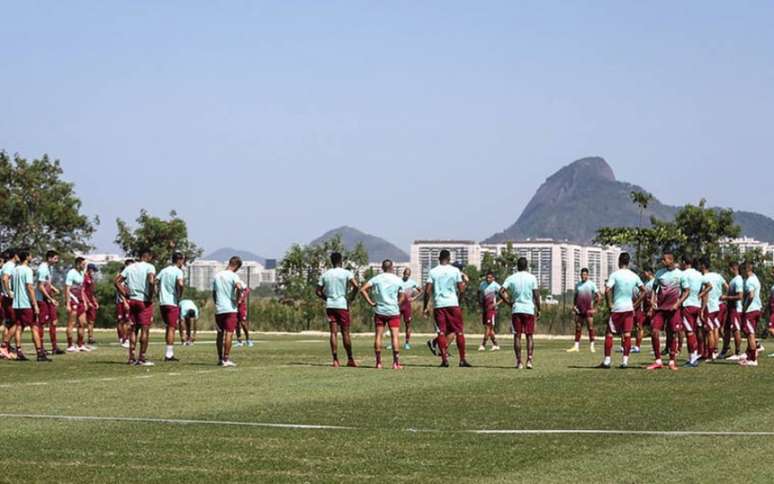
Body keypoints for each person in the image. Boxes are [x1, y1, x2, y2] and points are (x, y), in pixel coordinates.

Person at [422, 251, 470, 367]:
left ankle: (444, 360)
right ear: (449, 258)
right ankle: (462, 360)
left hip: (439, 305)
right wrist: (459, 301)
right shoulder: (455, 271)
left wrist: (425, 306)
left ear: (439, 259)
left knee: (441, 332)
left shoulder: (433, 271)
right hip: (453, 304)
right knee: (459, 332)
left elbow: (427, 291)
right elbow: (462, 288)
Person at [598, 253, 644, 369]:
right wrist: (635, 304)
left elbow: (607, 289)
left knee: (609, 333)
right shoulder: (634, 276)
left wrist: (609, 304)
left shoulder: (615, 275)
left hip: (617, 308)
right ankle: (625, 362)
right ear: (628, 262)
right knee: (627, 334)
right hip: (629, 308)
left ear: (619, 261)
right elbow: (644, 291)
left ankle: (607, 361)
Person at [359, 259, 405, 369]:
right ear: (392, 267)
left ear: (382, 268)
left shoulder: (377, 278)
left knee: (378, 335)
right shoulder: (397, 279)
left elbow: (362, 289)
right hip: (393, 311)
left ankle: (378, 363)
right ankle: (396, 363)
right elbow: (402, 295)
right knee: (395, 336)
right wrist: (397, 303)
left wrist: (371, 302)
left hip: (379, 310)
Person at [316, 252, 359, 368]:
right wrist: (351, 298)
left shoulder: (325, 274)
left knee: (333, 333)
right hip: (342, 305)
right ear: (341, 261)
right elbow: (356, 286)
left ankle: (335, 360)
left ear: (331, 261)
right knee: (345, 332)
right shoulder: (346, 273)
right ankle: (350, 359)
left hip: (330, 305)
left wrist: (327, 298)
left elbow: (318, 291)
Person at [114, 249, 156, 366]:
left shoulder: (130, 267)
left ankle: (131, 357)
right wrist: (151, 295)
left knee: (133, 329)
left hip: (132, 300)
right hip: (144, 300)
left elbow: (117, 281)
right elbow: (151, 281)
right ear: (149, 257)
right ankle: (142, 357)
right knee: (145, 328)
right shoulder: (150, 267)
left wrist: (125, 293)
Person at [499, 257, 540, 369]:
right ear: (527, 266)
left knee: (517, 336)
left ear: (517, 266)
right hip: (529, 310)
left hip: (517, 309)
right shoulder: (532, 278)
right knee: (529, 336)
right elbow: (536, 295)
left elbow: (501, 291)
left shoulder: (511, 278)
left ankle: (519, 362)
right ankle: (529, 360)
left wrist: (509, 303)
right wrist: (539, 309)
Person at [647, 251, 682, 371]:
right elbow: (654, 288)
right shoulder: (659, 273)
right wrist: (652, 301)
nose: (662, 261)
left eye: (664, 259)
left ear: (671, 260)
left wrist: (677, 304)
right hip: (661, 309)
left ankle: (672, 361)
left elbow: (687, 291)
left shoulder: (680, 274)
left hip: (673, 309)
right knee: (654, 331)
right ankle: (658, 361)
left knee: (672, 334)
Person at [12, 250, 50, 361]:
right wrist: (35, 304)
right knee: (34, 326)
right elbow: (29, 287)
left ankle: (18, 351)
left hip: (16, 303)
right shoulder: (27, 270)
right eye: (30, 255)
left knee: (19, 327)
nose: (31, 257)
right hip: (26, 303)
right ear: (27, 257)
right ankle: (40, 353)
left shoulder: (15, 270)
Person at [212, 256, 244, 367]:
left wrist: (216, 303)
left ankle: (220, 359)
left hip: (219, 308)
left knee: (219, 334)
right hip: (230, 308)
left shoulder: (217, 275)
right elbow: (239, 287)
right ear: (236, 266)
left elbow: (214, 293)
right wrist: (238, 299)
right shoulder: (234, 276)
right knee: (229, 333)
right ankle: (226, 359)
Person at [157, 252, 185, 361]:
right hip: (172, 302)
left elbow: (155, 281)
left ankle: (168, 352)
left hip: (162, 302)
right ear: (179, 260)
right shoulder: (178, 271)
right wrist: (180, 294)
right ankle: (169, 354)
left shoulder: (164, 270)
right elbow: (181, 284)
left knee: (168, 327)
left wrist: (156, 293)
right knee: (172, 328)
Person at [35, 250, 63, 355]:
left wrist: (53, 288)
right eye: (55, 258)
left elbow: (47, 283)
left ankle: (54, 347)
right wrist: (50, 299)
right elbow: (40, 286)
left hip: (49, 298)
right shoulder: (42, 269)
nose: (57, 261)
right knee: (42, 323)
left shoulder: (49, 268)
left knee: (54, 322)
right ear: (49, 258)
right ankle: (40, 347)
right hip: (42, 299)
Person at [698, 258, 726, 361]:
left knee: (709, 330)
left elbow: (706, 293)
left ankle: (711, 353)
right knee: (715, 328)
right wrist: (724, 297)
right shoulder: (718, 275)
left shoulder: (703, 277)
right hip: (718, 305)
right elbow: (727, 286)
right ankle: (714, 350)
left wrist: (702, 308)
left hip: (709, 306)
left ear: (703, 266)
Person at [677, 256, 703, 367]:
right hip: (697, 305)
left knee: (689, 332)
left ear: (684, 262)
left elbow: (681, 290)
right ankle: (692, 357)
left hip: (687, 305)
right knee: (693, 332)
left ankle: (693, 359)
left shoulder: (683, 274)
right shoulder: (699, 274)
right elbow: (708, 286)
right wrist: (699, 296)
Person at [567, 268, 599, 353]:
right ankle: (576, 346)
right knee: (578, 327)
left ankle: (592, 346)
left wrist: (595, 308)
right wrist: (574, 306)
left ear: (587, 275)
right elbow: (575, 296)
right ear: (580, 275)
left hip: (588, 310)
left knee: (590, 328)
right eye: (582, 275)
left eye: (585, 274)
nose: (583, 276)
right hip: (580, 310)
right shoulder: (578, 285)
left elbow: (598, 296)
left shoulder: (591, 284)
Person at [65, 257, 91, 353]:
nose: (84, 266)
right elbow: (67, 288)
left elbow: (82, 289)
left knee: (83, 323)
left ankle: (80, 344)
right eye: (83, 264)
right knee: (71, 323)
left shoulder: (82, 274)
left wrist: (85, 301)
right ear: (78, 264)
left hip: (80, 300)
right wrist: (67, 303)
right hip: (73, 300)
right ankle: (70, 345)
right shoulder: (71, 273)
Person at [720, 262, 744, 360]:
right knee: (726, 330)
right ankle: (725, 350)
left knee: (736, 329)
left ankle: (738, 352)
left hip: (736, 309)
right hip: (730, 309)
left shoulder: (738, 280)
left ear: (733, 268)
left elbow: (740, 296)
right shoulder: (733, 280)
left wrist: (726, 297)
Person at [739, 262, 761, 367]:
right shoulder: (756, 278)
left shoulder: (749, 281)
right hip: (757, 309)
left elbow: (751, 295)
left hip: (750, 310)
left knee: (750, 334)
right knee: (751, 333)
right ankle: (749, 355)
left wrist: (745, 307)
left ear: (745, 270)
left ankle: (753, 359)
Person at [0, 249, 20, 359]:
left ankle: (5, 348)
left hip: (7, 297)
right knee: (16, 322)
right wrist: (9, 292)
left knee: (9, 323)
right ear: (15, 255)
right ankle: (4, 346)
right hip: (9, 298)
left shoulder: (9, 265)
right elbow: (5, 278)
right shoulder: (10, 265)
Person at [399, 268, 422, 350]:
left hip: (407, 305)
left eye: (408, 274)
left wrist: (414, 298)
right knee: (395, 324)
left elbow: (421, 291)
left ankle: (407, 343)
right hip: (399, 305)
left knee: (408, 324)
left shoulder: (412, 282)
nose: (406, 276)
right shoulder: (398, 281)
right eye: (405, 274)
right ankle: (393, 342)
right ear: (403, 273)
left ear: (410, 275)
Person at [478, 271, 501, 351]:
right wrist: (480, 304)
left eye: (490, 278)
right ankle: (496, 344)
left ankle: (483, 344)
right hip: (485, 308)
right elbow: (479, 293)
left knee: (488, 327)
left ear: (493, 278)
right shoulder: (482, 284)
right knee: (489, 328)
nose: (488, 279)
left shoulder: (496, 285)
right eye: (487, 277)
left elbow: (505, 295)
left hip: (491, 309)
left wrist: (496, 304)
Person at [115, 259, 134, 348]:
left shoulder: (132, 275)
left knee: (128, 320)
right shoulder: (121, 275)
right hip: (121, 301)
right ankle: (122, 338)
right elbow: (119, 289)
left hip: (130, 300)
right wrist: (125, 301)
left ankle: (126, 338)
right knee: (121, 320)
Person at [83, 263, 100, 346]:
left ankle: (90, 338)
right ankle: (81, 339)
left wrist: (94, 301)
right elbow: (82, 291)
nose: (93, 272)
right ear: (89, 269)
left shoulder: (91, 279)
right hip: (84, 301)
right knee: (82, 321)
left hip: (91, 301)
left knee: (91, 321)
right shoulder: (84, 277)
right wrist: (87, 302)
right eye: (93, 270)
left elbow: (92, 292)